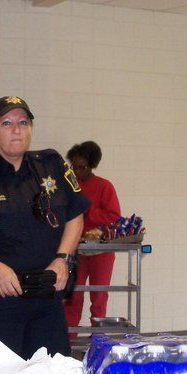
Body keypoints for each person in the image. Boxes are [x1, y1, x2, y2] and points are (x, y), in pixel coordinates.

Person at [0, 96, 90, 366]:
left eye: (23, 122)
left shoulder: (51, 165)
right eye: (7, 123)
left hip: (46, 302)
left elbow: (76, 215)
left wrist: (63, 259)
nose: (17, 129)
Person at [63, 141, 121, 331]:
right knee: (73, 296)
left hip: (101, 252)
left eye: (82, 167)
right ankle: (68, 342)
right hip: (75, 250)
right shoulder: (69, 187)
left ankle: (97, 340)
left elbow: (114, 218)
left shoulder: (105, 186)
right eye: (74, 167)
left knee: (98, 298)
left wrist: (89, 211)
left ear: (91, 166)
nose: (77, 172)